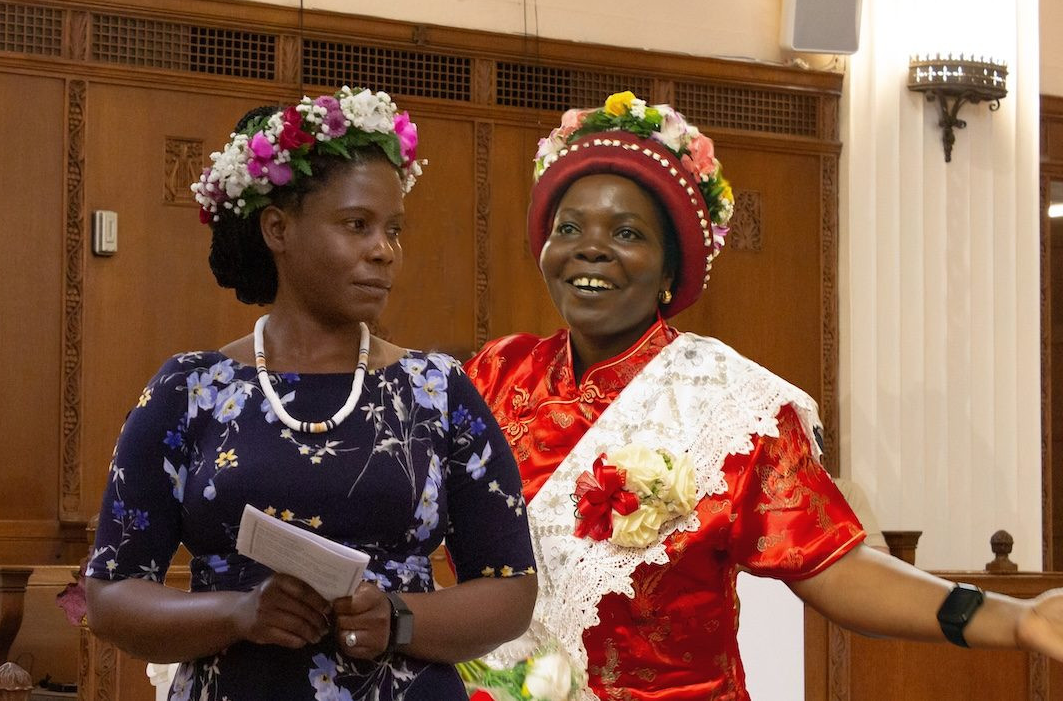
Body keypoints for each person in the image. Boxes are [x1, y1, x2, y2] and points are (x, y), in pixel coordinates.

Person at [464, 91, 1063, 700]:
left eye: (626, 232)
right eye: (569, 228)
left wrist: (1014, 618)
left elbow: (835, 567)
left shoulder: (735, 407)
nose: (591, 247)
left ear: (671, 271)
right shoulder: (495, 374)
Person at [84, 87, 537, 701]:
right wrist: (239, 615)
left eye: (393, 230)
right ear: (278, 228)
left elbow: (509, 588)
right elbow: (111, 596)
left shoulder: (437, 392)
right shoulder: (188, 392)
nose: (385, 251)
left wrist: (398, 619)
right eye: (357, 225)